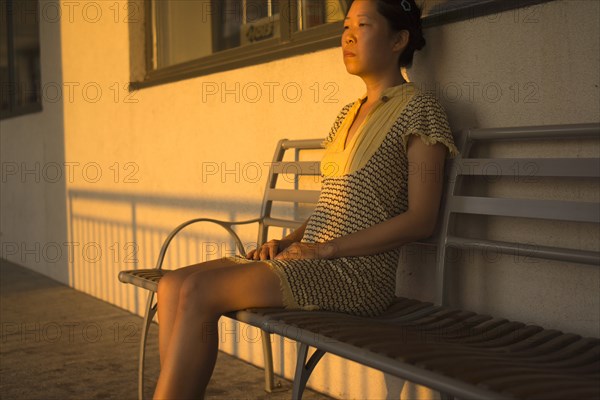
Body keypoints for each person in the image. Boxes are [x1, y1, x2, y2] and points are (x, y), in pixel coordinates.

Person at [153, 0, 458, 398]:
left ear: (399, 39)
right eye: (345, 25)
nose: (347, 36)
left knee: (198, 292)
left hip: (356, 277)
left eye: (362, 25)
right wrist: (292, 242)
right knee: (173, 285)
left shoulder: (421, 109)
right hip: (316, 259)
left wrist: (324, 250)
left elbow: (421, 219)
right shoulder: (347, 114)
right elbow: (330, 208)